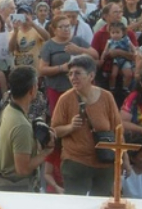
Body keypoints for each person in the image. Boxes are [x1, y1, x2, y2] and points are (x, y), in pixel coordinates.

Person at [51, 55, 122, 197]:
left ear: (91, 76)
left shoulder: (106, 97)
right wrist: (70, 127)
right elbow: (54, 131)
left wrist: (122, 160)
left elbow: (118, 129)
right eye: (70, 74)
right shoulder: (65, 99)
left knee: (100, 206)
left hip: (104, 162)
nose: (73, 77)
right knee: (75, 207)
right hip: (76, 161)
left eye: (77, 73)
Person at [0, 66, 56, 192]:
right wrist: (46, 152)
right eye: (36, 85)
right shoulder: (21, 125)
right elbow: (22, 169)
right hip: (16, 189)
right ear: (32, 90)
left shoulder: (9, 109)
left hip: (4, 183)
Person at [38, 15, 98, 115]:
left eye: (68, 26)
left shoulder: (77, 41)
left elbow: (95, 55)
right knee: (60, 116)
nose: (66, 29)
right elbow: (42, 69)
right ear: (54, 29)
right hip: (57, 88)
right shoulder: (48, 45)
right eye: (62, 27)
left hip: (80, 88)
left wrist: (79, 50)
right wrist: (62, 68)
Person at [102, 22, 136, 91]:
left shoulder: (126, 40)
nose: (115, 35)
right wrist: (102, 58)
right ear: (110, 33)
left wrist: (135, 53)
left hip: (125, 59)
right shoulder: (110, 41)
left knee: (129, 74)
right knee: (113, 75)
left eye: (117, 32)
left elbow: (133, 47)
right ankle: (112, 88)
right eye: (113, 33)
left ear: (122, 33)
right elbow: (105, 51)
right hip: (115, 60)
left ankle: (125, 88)